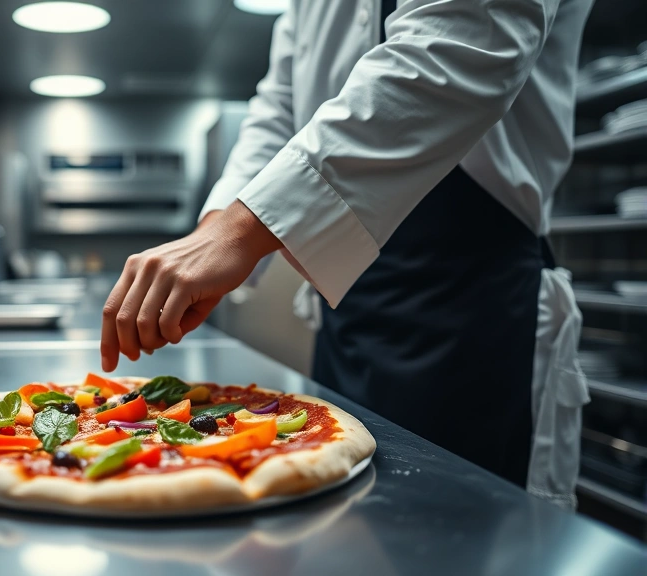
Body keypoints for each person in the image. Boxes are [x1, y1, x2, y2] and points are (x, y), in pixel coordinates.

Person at [100, 0, 592, 507]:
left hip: (479, 312)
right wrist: (213, 229)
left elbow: (457, 46)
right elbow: (281, 107)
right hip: (347, 314)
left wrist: (238, 234)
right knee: (339, 524)